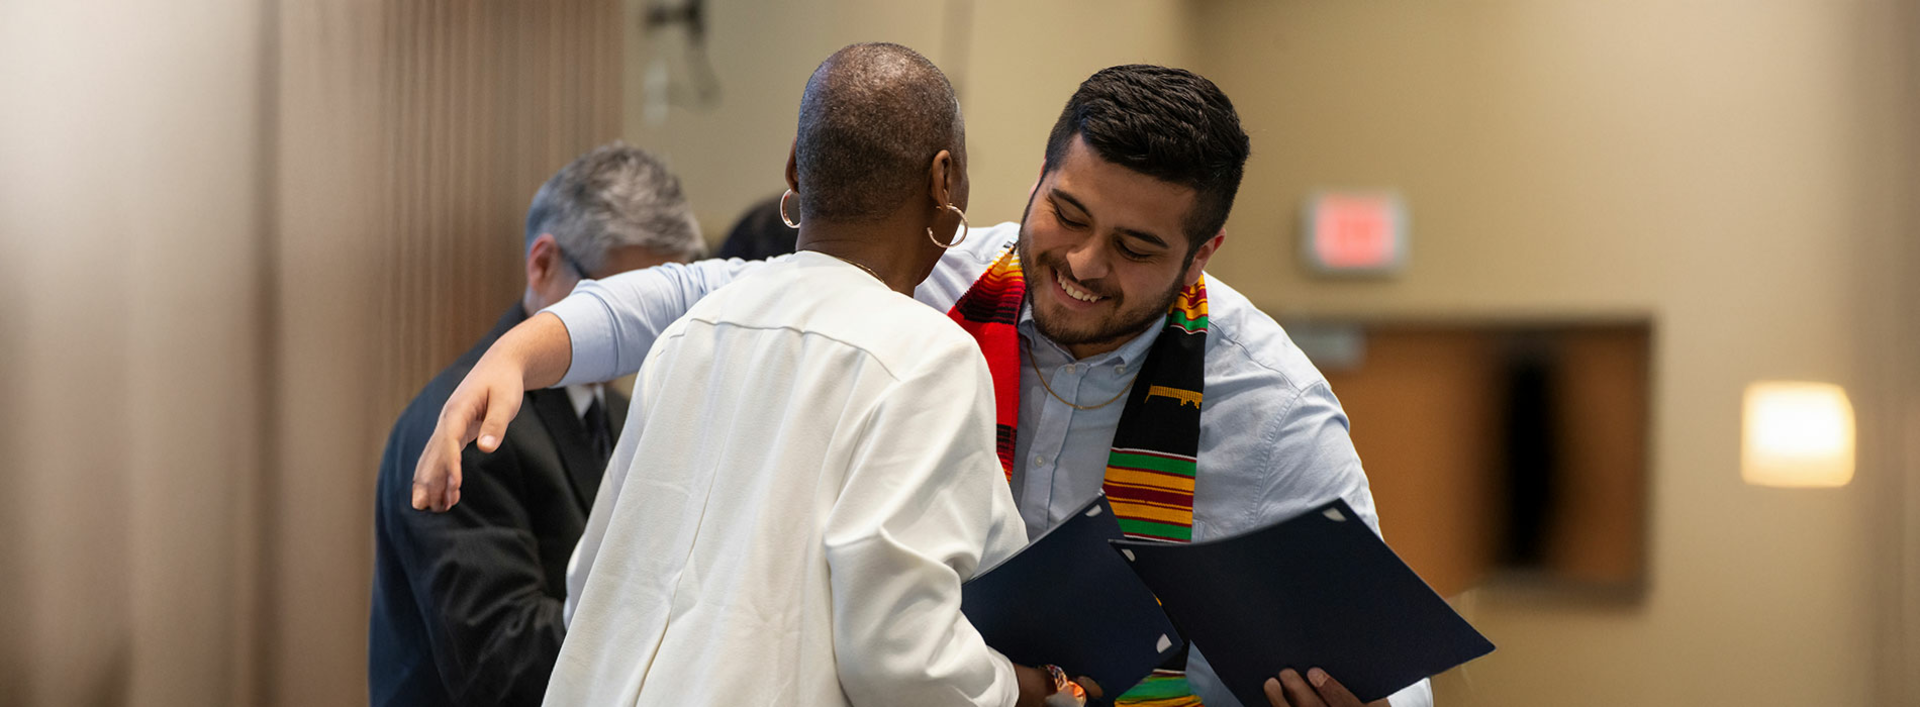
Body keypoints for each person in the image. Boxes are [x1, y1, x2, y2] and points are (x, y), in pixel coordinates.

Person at [415, 67, 1432, 707]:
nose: (1079, 262)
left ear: (1202, 250)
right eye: (1065, 213)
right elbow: (706, 293)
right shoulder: (943, 277)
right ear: (1032, 177)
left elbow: (1386, 658)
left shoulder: (1271, 404)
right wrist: (527, 349)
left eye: (1132, 247)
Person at [369, 143, 706, 707]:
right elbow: (505, 664)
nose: (643, 329)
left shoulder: (621, 411)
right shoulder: (468, 429)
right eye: (624, 303)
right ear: (543, 264)